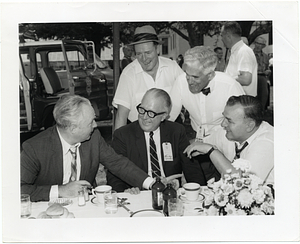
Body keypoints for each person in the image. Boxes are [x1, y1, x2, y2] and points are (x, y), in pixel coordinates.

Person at [21, 95, 156, 202]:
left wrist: (152, 184)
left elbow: (117, 163)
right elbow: (20, 190)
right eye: (91, 122)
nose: (96, 125)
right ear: (73, 128)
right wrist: (61, 191)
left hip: (87, 206)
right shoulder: (34, 148)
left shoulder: (93, 137)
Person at [168, 46, 245, 183]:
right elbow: (169, 117)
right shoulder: (180, 82)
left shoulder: (230, 86)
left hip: (226, 144)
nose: (189, 81)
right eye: (187, 74)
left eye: (195, 77)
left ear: (210, 75)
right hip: (196, 144)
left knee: (228, 185)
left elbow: (243, 123)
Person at [107, 88, 205, 191]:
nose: (144, 117)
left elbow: (192, 169)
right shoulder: (123, 135)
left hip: (169, 192)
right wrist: (123, 192)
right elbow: (114, 174)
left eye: (151, 113)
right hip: (138, 194)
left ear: (163, 116)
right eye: (142, 110)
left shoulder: (176, 132)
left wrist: (198, 193)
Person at [184, 95, 274, 185]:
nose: (223, 124)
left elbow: (242, 185)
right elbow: (197, 144)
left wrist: (212, 151)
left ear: (249, 125)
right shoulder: (229, 132)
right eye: (224, 118)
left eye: (229, 121)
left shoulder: (266, 142)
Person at [112, 25, 184, 130]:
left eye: (148, 52)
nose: (144, 58)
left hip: (170, 131)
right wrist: (118, 144)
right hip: (140, 134)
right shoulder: (129, 74)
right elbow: (121, 116)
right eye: (139, 54)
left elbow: (190, 93)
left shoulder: (172, 67)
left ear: (157, 49)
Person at [221, 21, 258, 96]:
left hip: (243, 101)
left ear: (228, 36)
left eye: (222, 35)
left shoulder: (243, 51)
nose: (221, 39)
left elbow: (246, 79)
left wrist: (224, 79)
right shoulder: (237, 51)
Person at [253, 36, 271, 109]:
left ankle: (261, 112)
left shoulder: (266, 56)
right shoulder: (250, 54)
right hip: (253, 77)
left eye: (261, 44)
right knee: (253, 97)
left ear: (264, 46)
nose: (258, 45)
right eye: (257, 43)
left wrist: (268, 71)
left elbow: (267, 67)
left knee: (264, 96)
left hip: (263, 77)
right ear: (254, 43)